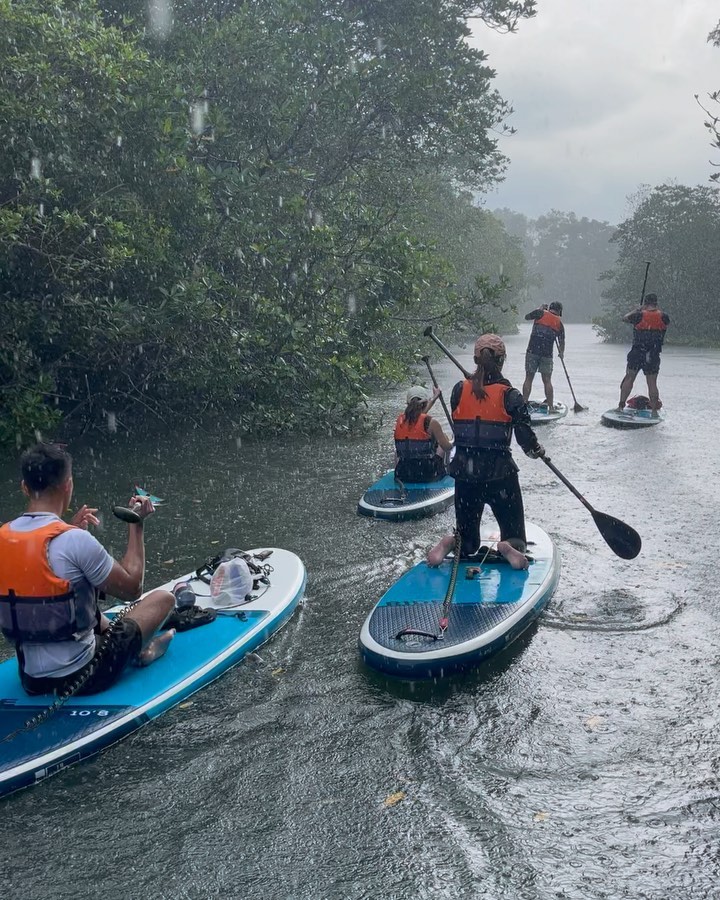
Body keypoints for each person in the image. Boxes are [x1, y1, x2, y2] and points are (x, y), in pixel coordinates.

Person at [0, 442, 175, 696]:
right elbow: (132, 587)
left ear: (25, 487)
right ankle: (141, 652)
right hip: (85, 676)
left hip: (31, 680)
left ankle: (138, 649)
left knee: (90, 606)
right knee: (164, 598)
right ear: (68, 484)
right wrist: (136, 523)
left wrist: (69, 530)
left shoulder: (4, 538)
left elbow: (37, 580)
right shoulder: (75, 541)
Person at [427, 334, 545, 571]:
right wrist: (536, 450)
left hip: (465, 473)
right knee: (515, 535)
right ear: (502, 360)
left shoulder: (459, 390)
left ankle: (456, 541)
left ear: (475, 359)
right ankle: (510, 546)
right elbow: (524, 438)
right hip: (499, 475)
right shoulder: (511, 396)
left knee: (469, 540)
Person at [617, 293, 670, 416]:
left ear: (645, 303)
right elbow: (664, 325)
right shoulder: (664, 317)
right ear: (656, 303)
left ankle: (621, 406)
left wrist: (637, 310)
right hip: (653, 354)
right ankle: (654, 411)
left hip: (637, 352)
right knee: (652, 383)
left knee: (629, 377)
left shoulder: (638, 315)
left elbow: (624, 318)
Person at [394, 386, 453, 483]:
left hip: (403, 473)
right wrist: (454, 443)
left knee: (398, 451)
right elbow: (447, 447)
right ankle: (443, 472)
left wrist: (434, 399)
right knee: (443, 440)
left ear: (408, 404)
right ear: (425, 403)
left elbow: (418, 418)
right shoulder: (431, 422)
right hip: (427, 474)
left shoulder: (400, 421)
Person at [522, 301, 565, 409]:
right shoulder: (559, 324)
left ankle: (524, 402)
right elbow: (562, 341)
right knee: (547, 380)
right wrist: (561, 353)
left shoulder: (540, 313)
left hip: (532, 351)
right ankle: (550, 407)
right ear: (559, 312)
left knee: (529, 378)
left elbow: (527, 317)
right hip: (547, 354)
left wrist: (540, 309)